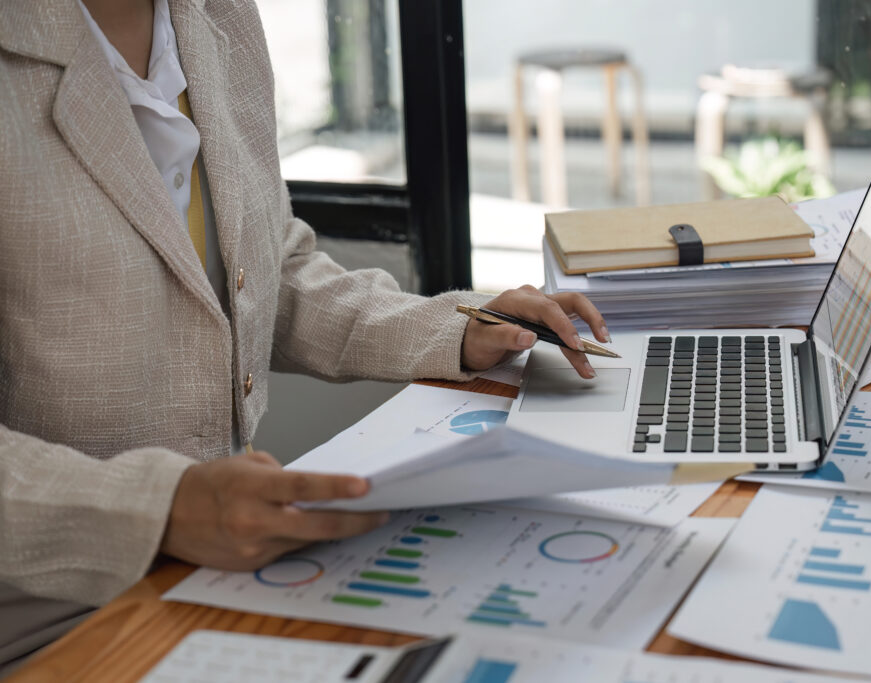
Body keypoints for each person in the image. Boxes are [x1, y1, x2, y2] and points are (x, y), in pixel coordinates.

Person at [0, 0, 609, 671]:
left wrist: (454, 329)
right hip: (46, 618)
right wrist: (160, 508)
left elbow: (265, 269)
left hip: (218, 572)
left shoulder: (217, 16)